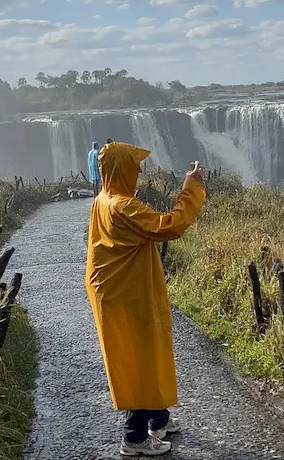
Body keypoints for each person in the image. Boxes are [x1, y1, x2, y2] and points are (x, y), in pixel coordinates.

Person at [85, 142, 206, 456]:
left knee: (149, 352)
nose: (139, 170)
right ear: (121, 169)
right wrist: (191, 187)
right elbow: (172, 225)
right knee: (137, 361)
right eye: (134, 165)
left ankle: (158, 418)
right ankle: (134, 437)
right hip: (125, 295)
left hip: (120, 289)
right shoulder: (123, 206)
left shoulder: (104, 199)